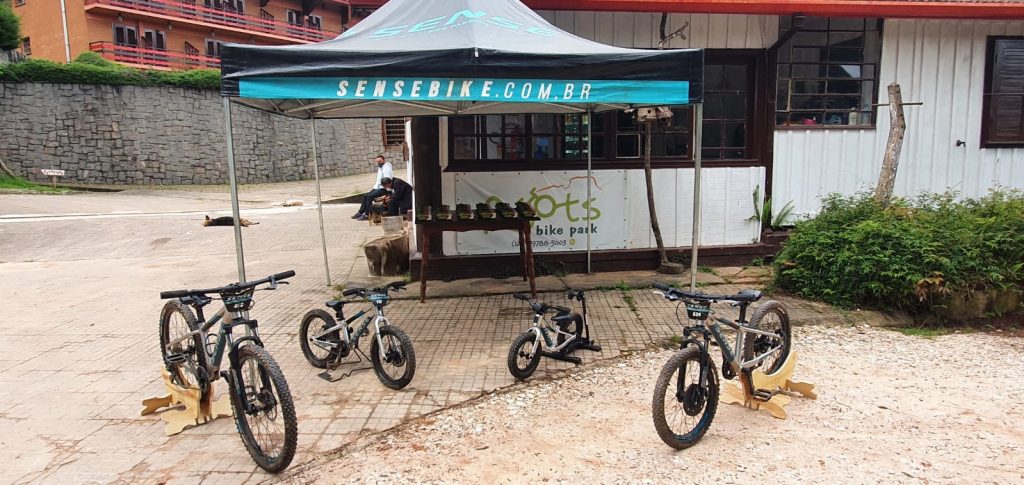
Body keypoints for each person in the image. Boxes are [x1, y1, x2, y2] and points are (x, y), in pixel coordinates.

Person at [352, 155, 393, 221]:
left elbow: (387, 181)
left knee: (369, 197)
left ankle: (367, 215)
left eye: (380, 161)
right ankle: (361, 212)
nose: (379, 163)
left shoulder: (386, 169)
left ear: (383, 160)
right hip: (378, 187)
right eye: (377, 161)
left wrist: (385, 189)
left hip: (384, 189)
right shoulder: (381, 168)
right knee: (365, 196)